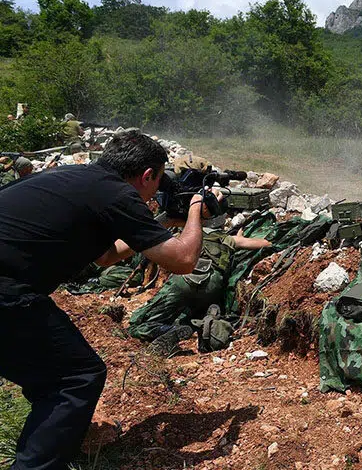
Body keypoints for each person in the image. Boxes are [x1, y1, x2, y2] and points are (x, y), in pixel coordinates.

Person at [0, 130, 207, 470]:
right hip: (6, 289)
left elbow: (106, 257)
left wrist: (166, 223)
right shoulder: (116, 193)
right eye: (158, 183)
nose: (156, 191)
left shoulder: (75, 177)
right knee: (75, 376)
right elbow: (185, 260)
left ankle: (50, 441)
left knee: (47, 376)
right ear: (147, 175)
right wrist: (197, 208)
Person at [128, 227, 271, 343]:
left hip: (183, 280)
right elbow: (266, 243)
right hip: (212, 285)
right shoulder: (228, 239)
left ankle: (167, 330)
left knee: (137, 323)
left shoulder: (182, 235)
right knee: (191, 314)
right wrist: (239, 239)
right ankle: (204, 325)